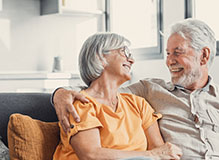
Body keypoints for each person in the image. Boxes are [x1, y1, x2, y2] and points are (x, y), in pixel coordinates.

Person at [52, 19, 219, 159]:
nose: (169, 61)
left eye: (177, 53)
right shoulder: (149, 90)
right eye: (167, 54)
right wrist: (59, 93)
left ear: (204, 56)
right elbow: (100, 93)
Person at [52, 33, 182, 160]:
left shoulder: (138, 104)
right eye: (124, 52)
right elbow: (91, 155)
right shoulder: (81, 104)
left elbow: (161, 152)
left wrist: (156, 154)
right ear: (100, 58)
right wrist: (151, 155)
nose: (131, 60)